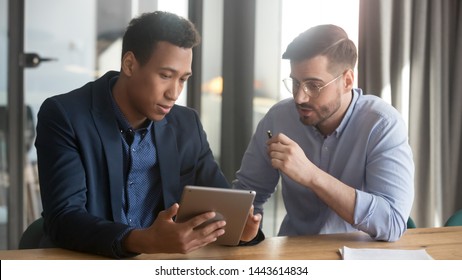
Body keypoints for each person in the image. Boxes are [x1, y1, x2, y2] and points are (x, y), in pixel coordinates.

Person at [35, 11, 261, 258]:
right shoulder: (65, 116)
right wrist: (143, 241)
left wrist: (242, 232)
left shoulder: (186, 124)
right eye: (165, 76)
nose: (174, 93)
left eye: (183, 79)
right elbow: (64, 219)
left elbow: (222, 207)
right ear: (129, 64)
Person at [233, 24, 414, 241]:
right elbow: (247, 196)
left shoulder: (382, 125)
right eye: (295, 82)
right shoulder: (279, 118)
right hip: (294, 256)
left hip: (360, 258)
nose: (300, 97)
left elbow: (393, 223)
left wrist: (311, 175)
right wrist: (245, 231)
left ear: (347, 81)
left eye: (314, 85)